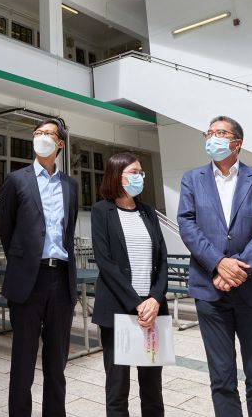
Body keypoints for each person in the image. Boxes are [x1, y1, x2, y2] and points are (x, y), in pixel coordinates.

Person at [177, 115, 252, 417]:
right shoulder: (192, 179)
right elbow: (187, 224)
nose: (212, 138)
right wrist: (217, 263)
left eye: (220, 133)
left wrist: (238, 269)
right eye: (208, 133)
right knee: (221, 378)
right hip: (210, 291)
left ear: (237, 142)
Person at [0, 117, 79, 417]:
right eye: (37, 133)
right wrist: (25, 262)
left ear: (60, 144)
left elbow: (68, 231)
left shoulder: (71, 185)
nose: (41, 137)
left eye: (48, 134)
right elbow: (7, 229)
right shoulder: (16, 180)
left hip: (61, 280)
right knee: (22, 362)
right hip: (28, 282)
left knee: (57, 364)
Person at [91, 152, 169, 417]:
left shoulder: (148, 212)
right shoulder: (102, 210)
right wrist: (137, 304)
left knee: (152, 389)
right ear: (117, 175)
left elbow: (162, 259)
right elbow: (105, 262)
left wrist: (155, 299)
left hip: (153, 310)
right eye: (134, 172)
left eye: (141, 173)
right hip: (119, 311)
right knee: (117, 388)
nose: (140, 177)